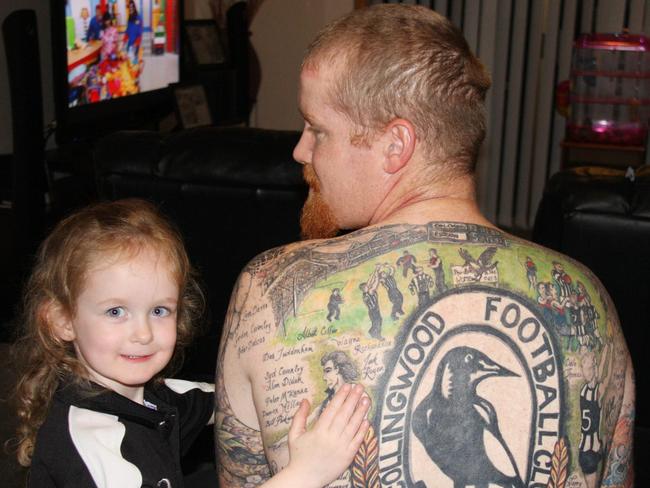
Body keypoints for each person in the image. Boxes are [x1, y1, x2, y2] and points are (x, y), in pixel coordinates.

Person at [215, 5, 634, 488]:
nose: (301, 151)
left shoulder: (266, 289)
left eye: (318, 129)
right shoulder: (591, 299)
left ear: (396, 145)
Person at [11, 199, 370, 488]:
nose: (143, 333)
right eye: (116, 311)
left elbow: (225, 398)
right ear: (61, 320)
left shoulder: (153, 397)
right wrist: (306, 472)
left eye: (159, 310)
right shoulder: (99, 443)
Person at [124, 0, 143, 65]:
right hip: (129, 46)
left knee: (135, 65)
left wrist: (135, 44)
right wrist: (124, 41)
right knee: (128, 63)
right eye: (129, 7)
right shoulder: (129, 19)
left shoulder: (139, 18)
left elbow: (139, 34)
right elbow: (127, 32)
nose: (131, 9)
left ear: (134, 7)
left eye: (132, 7)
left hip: (136, 46)